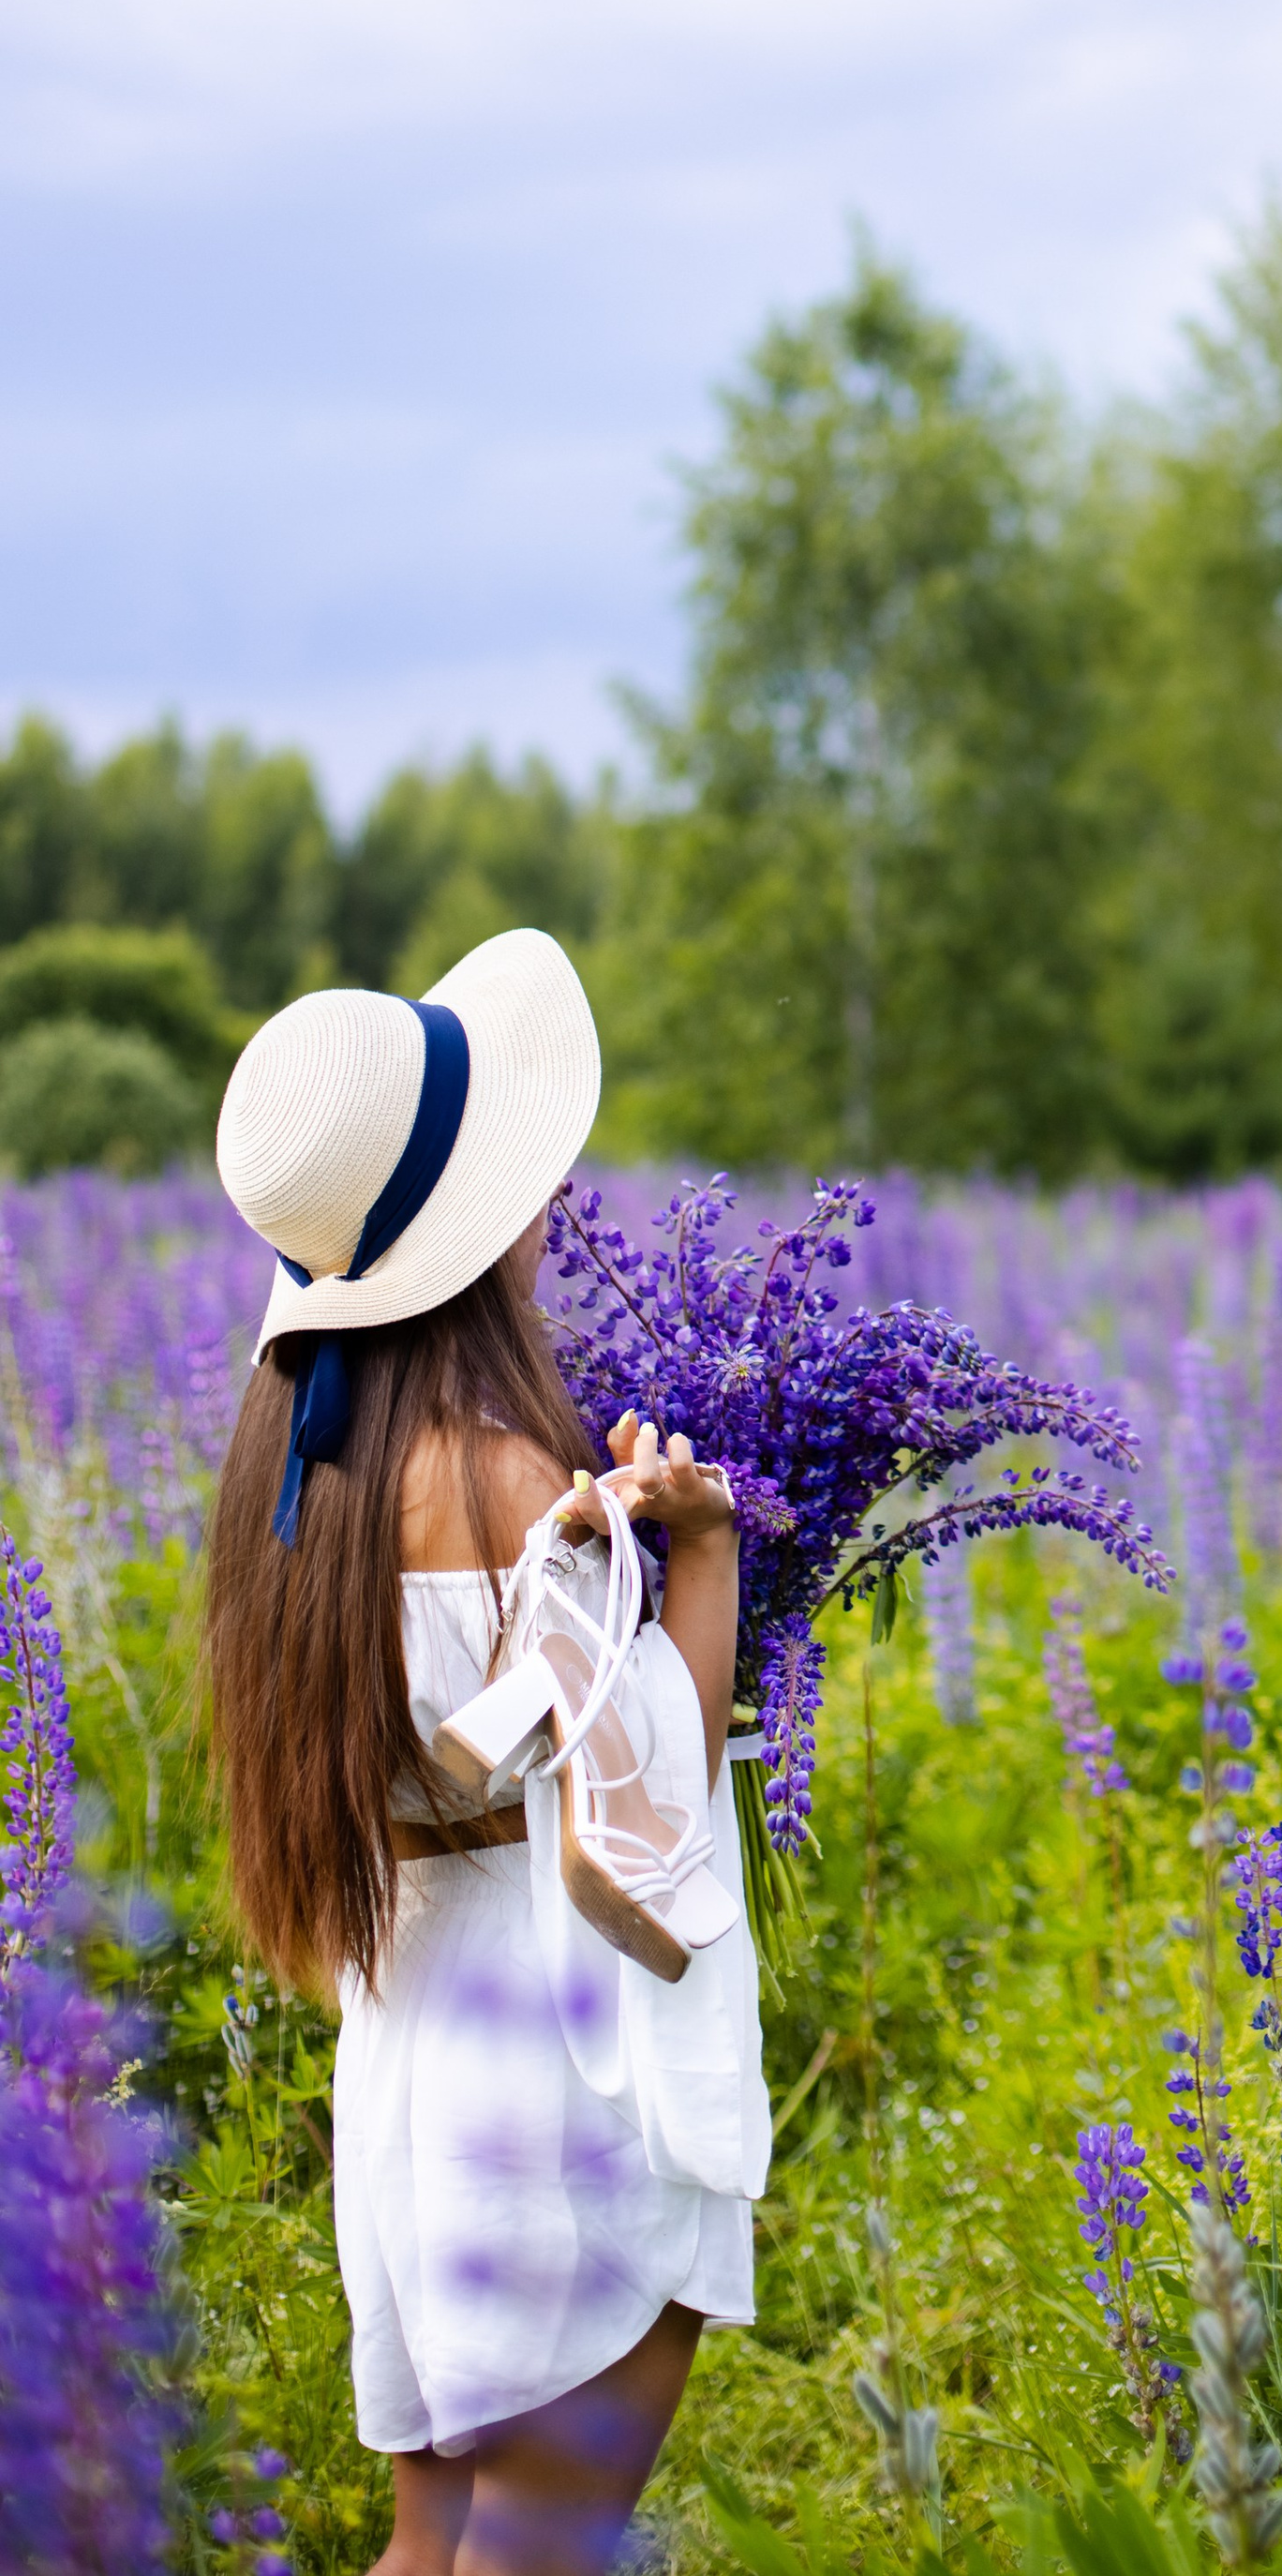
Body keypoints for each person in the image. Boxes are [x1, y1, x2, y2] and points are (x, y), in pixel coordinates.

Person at [204, 928, 768, 2576]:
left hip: (402, 2066)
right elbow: (649, 1793)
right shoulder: (516, 1479)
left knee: (431, 2537)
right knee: (537, 2549)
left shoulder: (288, 1489)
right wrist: (708, 1550)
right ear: (472, 1235)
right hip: (554, 2066)